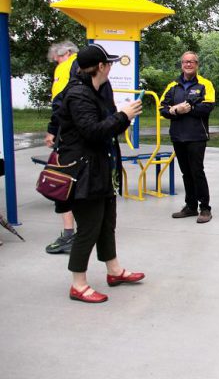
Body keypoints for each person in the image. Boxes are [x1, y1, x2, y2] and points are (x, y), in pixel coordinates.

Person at [57, 43, 145, 303]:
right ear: (101, 67)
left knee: (107, 222)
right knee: (90, 227)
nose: (111, 67)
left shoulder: (97, 91)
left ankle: (114, 270)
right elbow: (92, 131)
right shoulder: (78, 95)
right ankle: (79, 283)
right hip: (83, 172)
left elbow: (105, 129)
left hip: (101, 168)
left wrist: (122, 117)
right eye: (109, 63)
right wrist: (123, 116)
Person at [160, 51, 216, 223]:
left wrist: (190, 109)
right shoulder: (173, 86)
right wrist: (175, 110)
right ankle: (190, 206)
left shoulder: (205, 84)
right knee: (186, 173)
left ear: (197, 64)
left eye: (192, 62)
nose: (188, 64)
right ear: (181, 64)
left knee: (197, 171)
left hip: (197, 135)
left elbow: (208, 107)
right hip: (178, 136)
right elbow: (162, 108)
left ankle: (205, 208)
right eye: (185, 62)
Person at [44, 41, 79, 254]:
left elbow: (59, 104)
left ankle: (68, 234)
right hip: (88, 136)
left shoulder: (66, 67)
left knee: (60, 181)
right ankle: (87, 231)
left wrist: (52, 130)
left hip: (68, 136)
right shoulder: (90, 67)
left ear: (66, 53)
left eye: (57, 59)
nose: (56, 64)